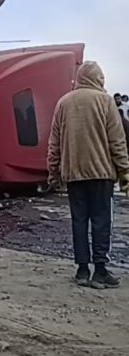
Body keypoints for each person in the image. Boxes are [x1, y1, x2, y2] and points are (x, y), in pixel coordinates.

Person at [47, 61, 129, 289]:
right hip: (102, 175)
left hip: (73, 175)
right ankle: (100, 270)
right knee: (102, 222)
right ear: (98, 79)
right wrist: (125, 173)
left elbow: (54, 143)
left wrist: (53, 173)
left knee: (79, 222)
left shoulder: (63, 103)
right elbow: (117, 141)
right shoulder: (105, 101)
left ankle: (82, 270)